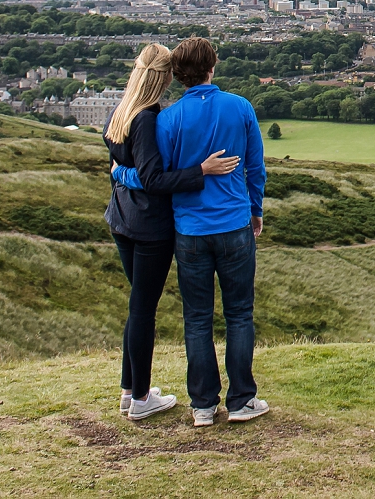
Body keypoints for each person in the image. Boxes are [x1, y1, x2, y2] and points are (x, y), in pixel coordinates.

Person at [102, 43, 240, 422]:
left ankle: (131, 391)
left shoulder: (121, 109)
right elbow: (154, 179)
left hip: (121, 219)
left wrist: (120, 174)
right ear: (163, 77)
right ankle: (141, 398)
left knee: (138, 307)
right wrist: (202, 171)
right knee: (143, 310)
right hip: (149, 227)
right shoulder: (147, 117)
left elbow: (123, 166)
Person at [157, 36, 269, 427]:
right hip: (235, 224)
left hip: (189, 230)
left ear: (177, 74)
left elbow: (165, 176)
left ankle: (203, 405)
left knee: (197, 318)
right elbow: (255, 168)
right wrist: (256, 211)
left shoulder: (168, 118)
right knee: (239, 314)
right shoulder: (239, 107)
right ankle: (241, 401)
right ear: (212, 66)